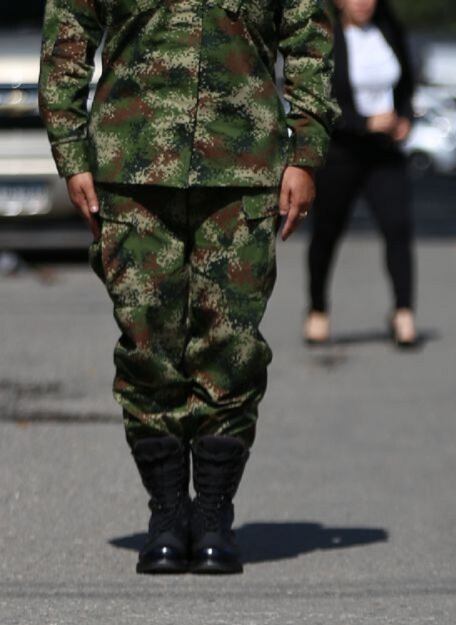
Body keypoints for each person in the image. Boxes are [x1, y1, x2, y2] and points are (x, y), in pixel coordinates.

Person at [39, 0, 337, 573]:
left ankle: (214, 515)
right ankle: (167, 513)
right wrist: (71, 152)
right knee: (147, 346)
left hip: (243, 168)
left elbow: (309, 39)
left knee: (231, 346)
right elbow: (68, 34)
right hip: (132, 167)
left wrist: (306, 153)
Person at [304, 0, 418, 348]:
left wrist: (404, 117)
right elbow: (320, 99)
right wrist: (364, 123)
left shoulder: (388, 29)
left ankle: (403, 312)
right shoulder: (326, 37)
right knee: (327, 231)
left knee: (397, 226)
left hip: (384, 152)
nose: (364, 3)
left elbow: (408, 81)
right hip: (342, 152)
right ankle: (318, 308)